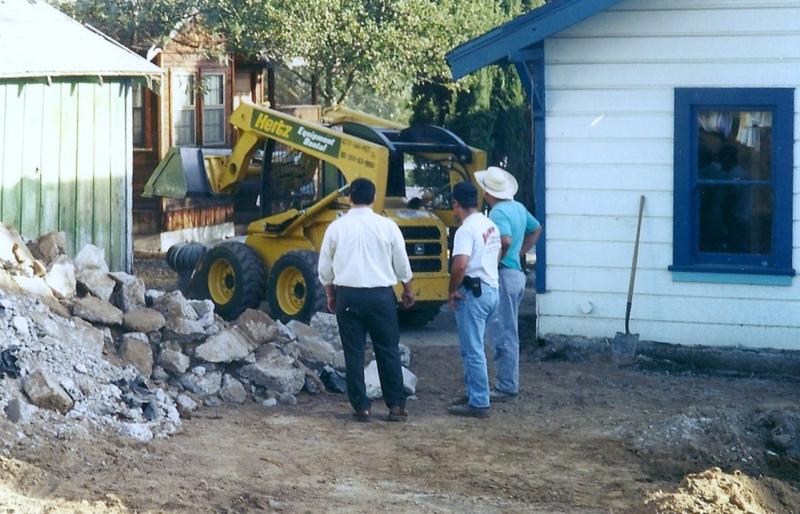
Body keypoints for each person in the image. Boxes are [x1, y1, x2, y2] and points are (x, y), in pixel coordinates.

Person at [318, 178, 416, 423]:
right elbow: (401, 262)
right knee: (388, 349)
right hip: (381, 295)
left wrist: (331, 294)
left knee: (353, 351)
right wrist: (408, 289)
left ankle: (361, 406)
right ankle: (396, 405)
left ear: (349, 198)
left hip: (348, 294)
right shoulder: (387, 226)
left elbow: (325, 267)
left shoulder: (336, 228)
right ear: (373, 198)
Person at [475, 167, 541, 402]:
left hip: (504, 273)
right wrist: (519, 253)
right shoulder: (519, 208)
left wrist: (496, 261)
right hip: (516, 273)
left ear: (487, 193)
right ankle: (507, 383)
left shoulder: (498, 213)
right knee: (508, 329)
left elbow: (504, 240)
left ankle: (506, 386)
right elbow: (536, 229)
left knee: (503, 331)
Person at [447, 181, 502, 418]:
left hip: (473, 292)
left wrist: (452, 290)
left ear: (455, 203)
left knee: (473, 350)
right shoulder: (489, 225)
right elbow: (499, 252)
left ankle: (479, 401)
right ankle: (474, 393)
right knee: (476, 346)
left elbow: (460, 265)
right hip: (491, 288)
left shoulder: (465, 230)